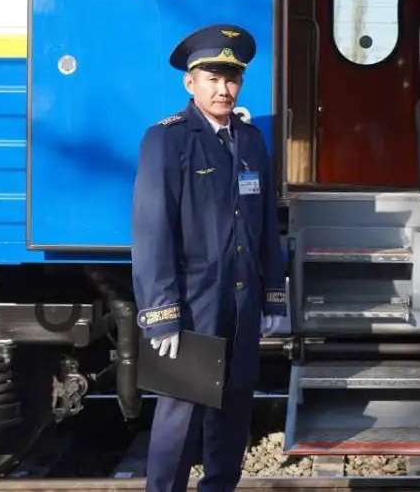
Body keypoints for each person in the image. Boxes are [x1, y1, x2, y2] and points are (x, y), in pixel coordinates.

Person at [131, 24, 287, 492]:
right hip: (193, 302)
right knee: (181, 413)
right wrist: (161, 314)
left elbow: (264, 230)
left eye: (232, 78)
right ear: (190, 82)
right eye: (212, 78)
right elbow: (152, 231)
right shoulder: (168, 140)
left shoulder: (252, 141)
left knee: (234, 410)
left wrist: (273, 299)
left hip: (241, 302)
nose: (223, 88)